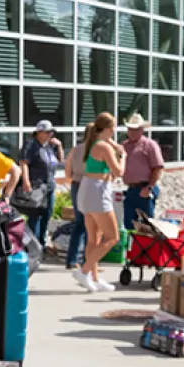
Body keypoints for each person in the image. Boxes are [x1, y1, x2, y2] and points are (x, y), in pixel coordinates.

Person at [74, 112, 124, 292]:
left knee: (94, 238)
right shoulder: (104, 146)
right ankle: (84, 271)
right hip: (98, 190)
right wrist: (122, 156)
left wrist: (115, 148)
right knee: (112, 238)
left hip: (89, 188)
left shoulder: (96, 142)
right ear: (109, 128)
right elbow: (118, 172)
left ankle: (93, 278)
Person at [16, 120, 65, 244]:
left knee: (47, 215)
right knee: (35, 216)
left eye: (51, 132)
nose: (50, 135)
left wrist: (59, 146)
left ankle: (42, 243)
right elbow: (24, 162)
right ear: (38, 132)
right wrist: (26, 181)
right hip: (36, 185)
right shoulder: (31, 145)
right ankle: (33, 244)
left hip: (49, 186)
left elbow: (59, 160)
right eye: (47, 132)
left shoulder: (49, 147)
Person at [119, 113, 164, 232]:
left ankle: (148, 249)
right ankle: (133, 249)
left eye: (136, 129)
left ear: (142, 130)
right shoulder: (124, 146)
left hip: (145, 187)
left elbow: (157, 168)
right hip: (131, 189)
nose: (132, 132)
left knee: (147, 224)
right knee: (129, 223)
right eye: (130, 129)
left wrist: (149, 187)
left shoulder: (150, 145)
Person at [62, 127, 89, 271]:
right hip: (89, 185)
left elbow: (67, 171)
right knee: (89, 224)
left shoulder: (75, 149)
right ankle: (88, 260)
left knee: (80, 222)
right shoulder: (96, 150)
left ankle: (73, 259)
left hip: (76, 184)